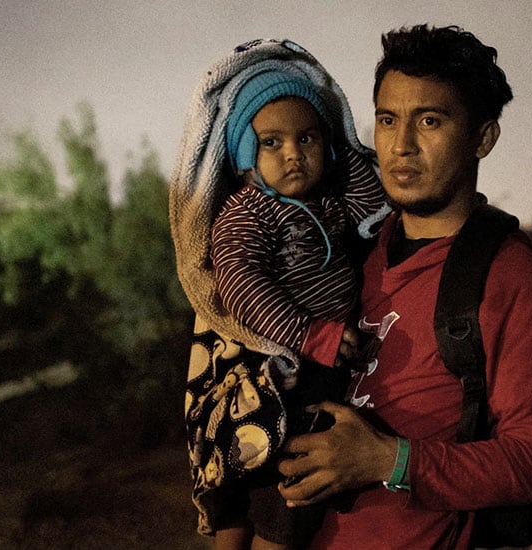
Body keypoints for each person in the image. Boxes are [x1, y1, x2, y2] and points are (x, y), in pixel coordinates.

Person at [276, 24, 532, 549]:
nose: (402, 145)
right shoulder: (347, 255)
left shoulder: (514, 280)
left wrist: (387, 460)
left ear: (483, 137)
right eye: (387, 119)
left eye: (430, 121)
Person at [169, 39, 389, 549]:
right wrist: (312, 336)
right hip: (279, 376)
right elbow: (243, 288)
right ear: (246, 153)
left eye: (308, 138)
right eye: (271, 142)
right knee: (279, 499)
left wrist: (343, 152)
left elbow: (371, 202)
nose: (293, 153)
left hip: (319, 364)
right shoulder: (248, 213)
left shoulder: (330, 201)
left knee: (280, 505)